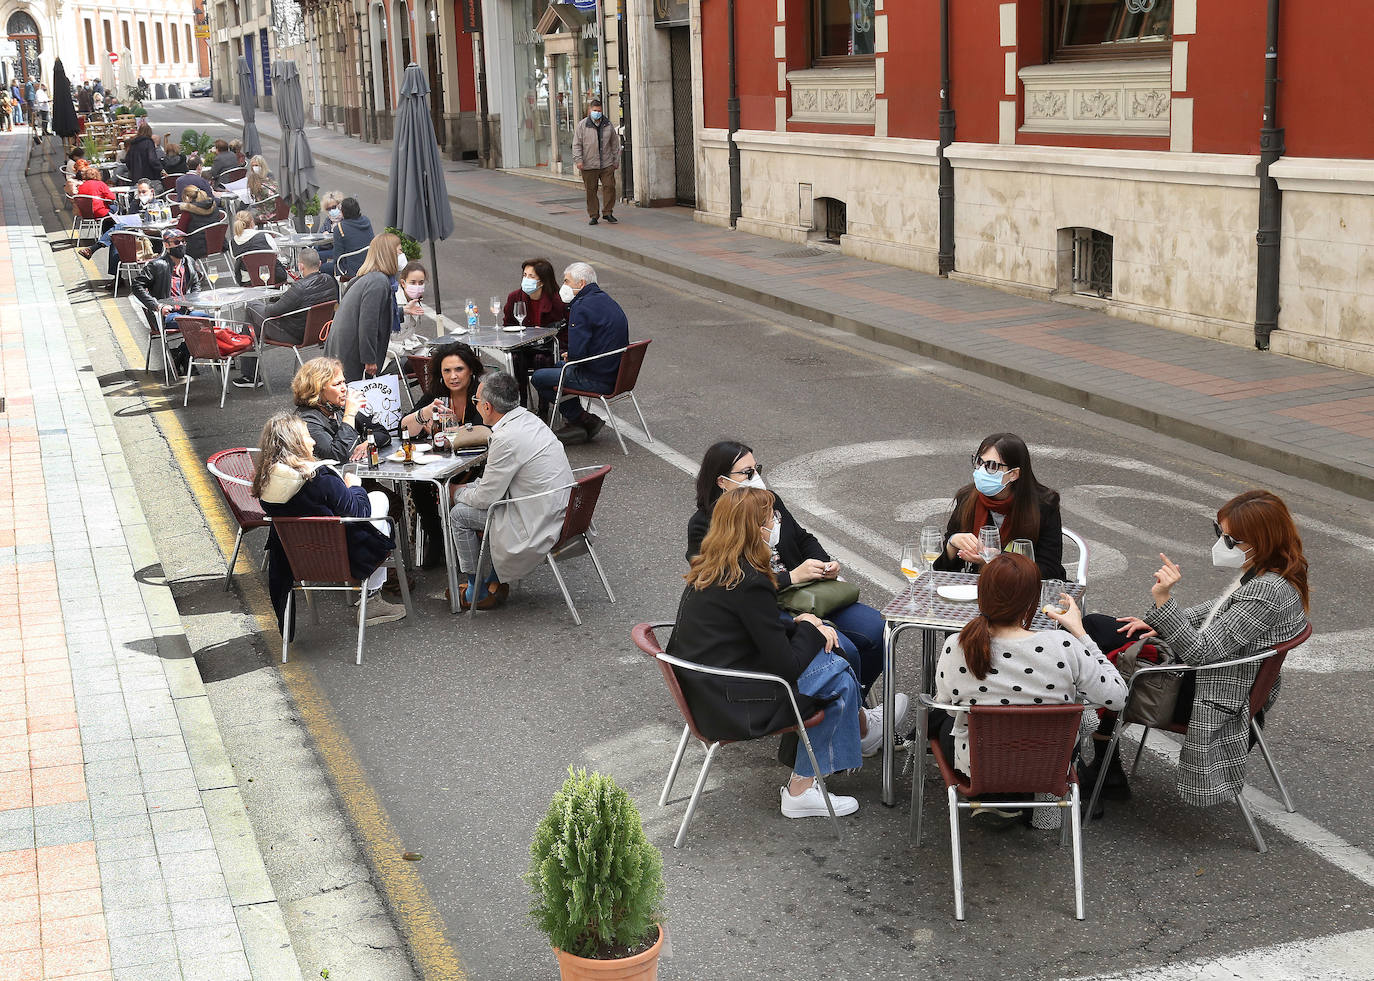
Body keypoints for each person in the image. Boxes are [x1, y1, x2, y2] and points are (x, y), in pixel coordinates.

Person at [1076, 489, 1310, 809]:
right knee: (1099, 627)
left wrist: (1164, 601)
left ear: (1262, 541)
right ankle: (1105, 768)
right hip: (1220, 680)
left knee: (1099, 655)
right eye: (1220, 532)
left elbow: (1202, 652)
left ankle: (1102, 769)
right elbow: (1217, 609)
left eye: (1230, 540)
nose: (1221, 544)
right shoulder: (1272, 574)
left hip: (1211, 696)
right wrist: (1158, 621)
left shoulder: (1266, 592)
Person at [668, 487, 870, 820]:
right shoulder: (750, 580)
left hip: (703, 691)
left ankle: (859, 728)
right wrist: (810, 629)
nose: (776, 523)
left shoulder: (713, 567)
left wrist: (802, 623)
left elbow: (754, 629)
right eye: (770, 518)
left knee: (832, 664)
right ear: (755, 530)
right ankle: (802, 789)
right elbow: (786, 665)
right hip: (732, 704)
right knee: (838, 675)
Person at [686, 440, 896, 729]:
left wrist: (823, 564)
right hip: (769, 604)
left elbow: (802, 537)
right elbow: (724, 583)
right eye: (746, 473)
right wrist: (790, 577)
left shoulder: (767, 500)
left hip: (811, 593)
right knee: (838, 647)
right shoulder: (704, 524)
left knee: (880, 631)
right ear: (722, 481)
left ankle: (851, 710)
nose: (755, 477)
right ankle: (852, 723)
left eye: (756, 469)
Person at [932, 553, 1126, 809]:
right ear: (1033, 600)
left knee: (941, 720)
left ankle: (993, 801)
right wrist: (1081, 633)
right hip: (1049, 765)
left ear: (981, 595)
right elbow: (1117, 697)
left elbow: (947, 706)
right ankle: (1020, 804)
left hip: (979, 766)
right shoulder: (1064, 646)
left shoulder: (957, 646)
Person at [253, 412, 406, 634]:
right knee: (379, 501)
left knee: (370, 508)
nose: (313, 441)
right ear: (296, 442)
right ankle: (372, 598)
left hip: (299, 563)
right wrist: (354, 486)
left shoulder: (266, 487)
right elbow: (359, 512)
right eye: (307, 436)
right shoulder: (320, 479)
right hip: (345, 558)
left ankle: (372, 598)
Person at [449, 371, 573, 610]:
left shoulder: (505, 437)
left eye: (476, 401)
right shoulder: (530, 419)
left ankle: (477, 589)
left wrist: (455, 493)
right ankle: (495, 580)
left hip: (538, 522)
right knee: (482, 501)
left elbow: (487, 497)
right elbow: (496, 486)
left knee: (459, 515)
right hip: (562, 513)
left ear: (487, 407)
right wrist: (467, 488)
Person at [934, 432, 1067, 581]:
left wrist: (996, 561)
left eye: (992, 466)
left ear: (1014, 474)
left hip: (1024, 590)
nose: (981, 471)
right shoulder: (967, 497)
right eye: (979, 462)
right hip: (979, 587)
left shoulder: (1044, 505)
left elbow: (1050, 570)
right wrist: (953, 543)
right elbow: (941, 570)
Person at [399, 342, 485, 567]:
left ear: (471, 370)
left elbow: (484, 433)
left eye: (459, 369)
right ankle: (436, 535)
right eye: (447, 371)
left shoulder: (480, 393)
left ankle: (455, 538)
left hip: (475, 465)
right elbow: (404, 427)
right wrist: (423, 414)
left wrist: (450, 432)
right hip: (440, 462)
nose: (453, 376)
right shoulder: (436, 394)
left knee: (442, 481)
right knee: (418, 480)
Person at [530, 262, 627, 444]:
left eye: (567, 281)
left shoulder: (581, 306)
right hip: (615, 371)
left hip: (598, 377)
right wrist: (572, 356)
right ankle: (580, 421)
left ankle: (582, 419)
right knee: (558, 366)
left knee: (539, 377)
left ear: (581, 283)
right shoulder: (606, 300)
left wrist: (571, 355)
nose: (564, 285)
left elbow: (577, 354)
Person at [235, 248, 340, 388]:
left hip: (294, 334)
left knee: (252, 307)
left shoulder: (299, 288)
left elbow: (271, 311)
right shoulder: (330, 281)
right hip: (319, 333)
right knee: (254, 322)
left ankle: (249, 373)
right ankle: (250, 367)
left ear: (301, 266)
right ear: (320, 263)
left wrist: (282, 298)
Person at [130, 227, 209, 377]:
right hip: (165, 316)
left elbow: (196, 282)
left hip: (185, 311)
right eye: (177, 242)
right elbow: (137, 286)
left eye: (184, 241)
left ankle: (182, 354)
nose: (182, 245)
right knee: (198, 323)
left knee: (211, 321)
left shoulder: (189, 261)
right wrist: (156, 306)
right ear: (166, 245)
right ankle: (186, 358)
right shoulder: (157, 265)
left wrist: (193, 298)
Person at [323, 233, 402, 381]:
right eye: (399, 251)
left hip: (343, 346)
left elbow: (372, 314)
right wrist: (369, 358)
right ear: (389, 254)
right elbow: (369, 322)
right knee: (354, 397)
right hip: (351, 350)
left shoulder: (369, 278)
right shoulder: (379, 281)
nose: (401, 255)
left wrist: (404, 311)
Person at [292, 356, 393, 464]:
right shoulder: (306, 420)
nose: (344, 388)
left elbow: (382, 433)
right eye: (337, 384)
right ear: (317, 390)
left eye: (343, 382)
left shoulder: (338, 409)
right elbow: (336, 456)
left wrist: (369, 443)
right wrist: (349, 415)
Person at [501, 257, 568, 413]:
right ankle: (520, 406)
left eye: (531, 277)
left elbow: (565, 330)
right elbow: (507, 324)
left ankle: (543, 409)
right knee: (516, 359)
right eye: (525, 275)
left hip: (546, 349)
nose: (526, 279)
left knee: (540, 359)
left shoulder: (557, 300)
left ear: (542, 281)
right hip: (522, 347)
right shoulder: (515, 297)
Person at [79, 178, 159, 274]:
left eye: (144, 192)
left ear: (152, 192)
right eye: (139, 192)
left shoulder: (157, 204)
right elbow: (131, 217)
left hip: (150, 235)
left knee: (118, 231)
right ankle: (116, 276)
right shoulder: (135, 203)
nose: (141, 195)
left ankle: (94, 248)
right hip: (134, 232)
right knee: (117, 237)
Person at [573, 97, 621, 226]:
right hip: (588, 165)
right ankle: (594, 215)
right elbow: (577, 145)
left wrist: (615, 160)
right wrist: (578, 160)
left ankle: (608, 212)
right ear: (590, 110)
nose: (597, 113)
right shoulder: (582, 125)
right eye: (595, 110)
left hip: (606, 164)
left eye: (599, 110)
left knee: (610, 187)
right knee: (591, 191)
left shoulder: (608, 124)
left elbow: (615, 144)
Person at [228, 209, 285, 286]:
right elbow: (275, 254)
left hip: (247, 281)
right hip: (273, 277)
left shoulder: (232, 242)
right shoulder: (264, 236)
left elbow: (237, 259)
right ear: (252, 222)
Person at [323, 196, 374, 278]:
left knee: (322, 268)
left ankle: (336, 289)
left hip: (351, 270)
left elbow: (337, 256)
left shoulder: (340, 228)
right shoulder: (366, 221)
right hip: (369, 266)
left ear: (343, 212)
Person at [176, 185, 223, 261]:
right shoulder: (213, 206)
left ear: (187, 197)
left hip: (197, 247)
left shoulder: (188, 211)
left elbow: (179, 231)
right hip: (218, 243)